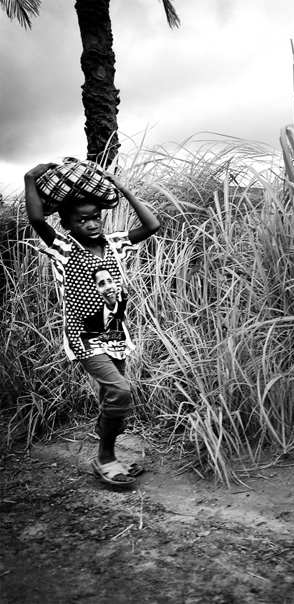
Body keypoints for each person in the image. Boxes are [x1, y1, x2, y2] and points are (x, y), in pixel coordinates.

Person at [24, 162, 161, 486]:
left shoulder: (115, 244)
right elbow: (37, 219)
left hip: (114, 334)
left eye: (94, 217)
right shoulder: (65, 249)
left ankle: (107, 452)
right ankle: (105, 456)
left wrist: (124, 191)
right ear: (68, 226)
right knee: (119, 391)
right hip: (85, 338)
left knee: (111, 400)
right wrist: (30, 178)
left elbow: (152, 225)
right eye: (81, 220)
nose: (90, 224)